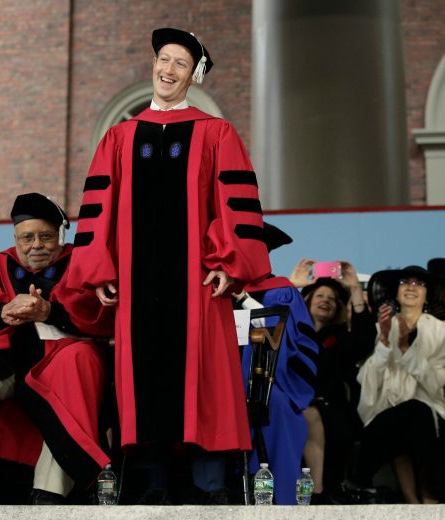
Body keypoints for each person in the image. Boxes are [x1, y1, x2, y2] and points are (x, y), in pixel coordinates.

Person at [64, 28, 271, 503]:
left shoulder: (216, 133)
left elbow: (236, 206)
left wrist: (229, 264)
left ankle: (211, 486)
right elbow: (98, 210)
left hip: (198, 285)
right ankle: (153, 485)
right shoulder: (119, 138)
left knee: (208, 384)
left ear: (193, 74)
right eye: (163, 58)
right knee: (145, 382)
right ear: (153, 65)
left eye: (180, 62)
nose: (168, 68)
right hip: (136, 289)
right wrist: (101, 271)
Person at [0, 193, 113, 505]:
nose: (36, 246)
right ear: (15, 236)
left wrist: (49, 312)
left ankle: (49, 489)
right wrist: (0, 311)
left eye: (46, 236)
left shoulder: (81, 265)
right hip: (6, 359)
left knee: (79, 360)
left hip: (60, 357)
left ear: (61, 234)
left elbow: (101, 316)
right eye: (27, 237)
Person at [355, 265, 445, 503]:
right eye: (405, 282)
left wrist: (405, 349)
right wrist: (383, 341)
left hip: (427, 413)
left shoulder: (440, 330)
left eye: (418, 284)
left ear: (427, 296)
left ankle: (427, 496)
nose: (411, 287)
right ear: (396, 292)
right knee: (401, 415)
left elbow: (438, 382)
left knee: (416, 411)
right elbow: (368, 380)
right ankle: (417, 499)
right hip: (386, 414)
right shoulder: (381, 326)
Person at [234, 224, 320, 505]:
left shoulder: (281, 291)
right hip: (223, 391)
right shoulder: (218, 288)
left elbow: (292, 345)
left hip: (268, 390)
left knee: (273, 460)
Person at [293, 262, 375, 503]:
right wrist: (293, 286)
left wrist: (355, 290)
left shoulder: (341, 339)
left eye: (332, 298)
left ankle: (320, 493)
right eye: (319, 295)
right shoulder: (291, 334)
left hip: (333, 411)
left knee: (321, 419)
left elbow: (364, 340)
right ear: (306, 301)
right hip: (293, 409)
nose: (326, 300)